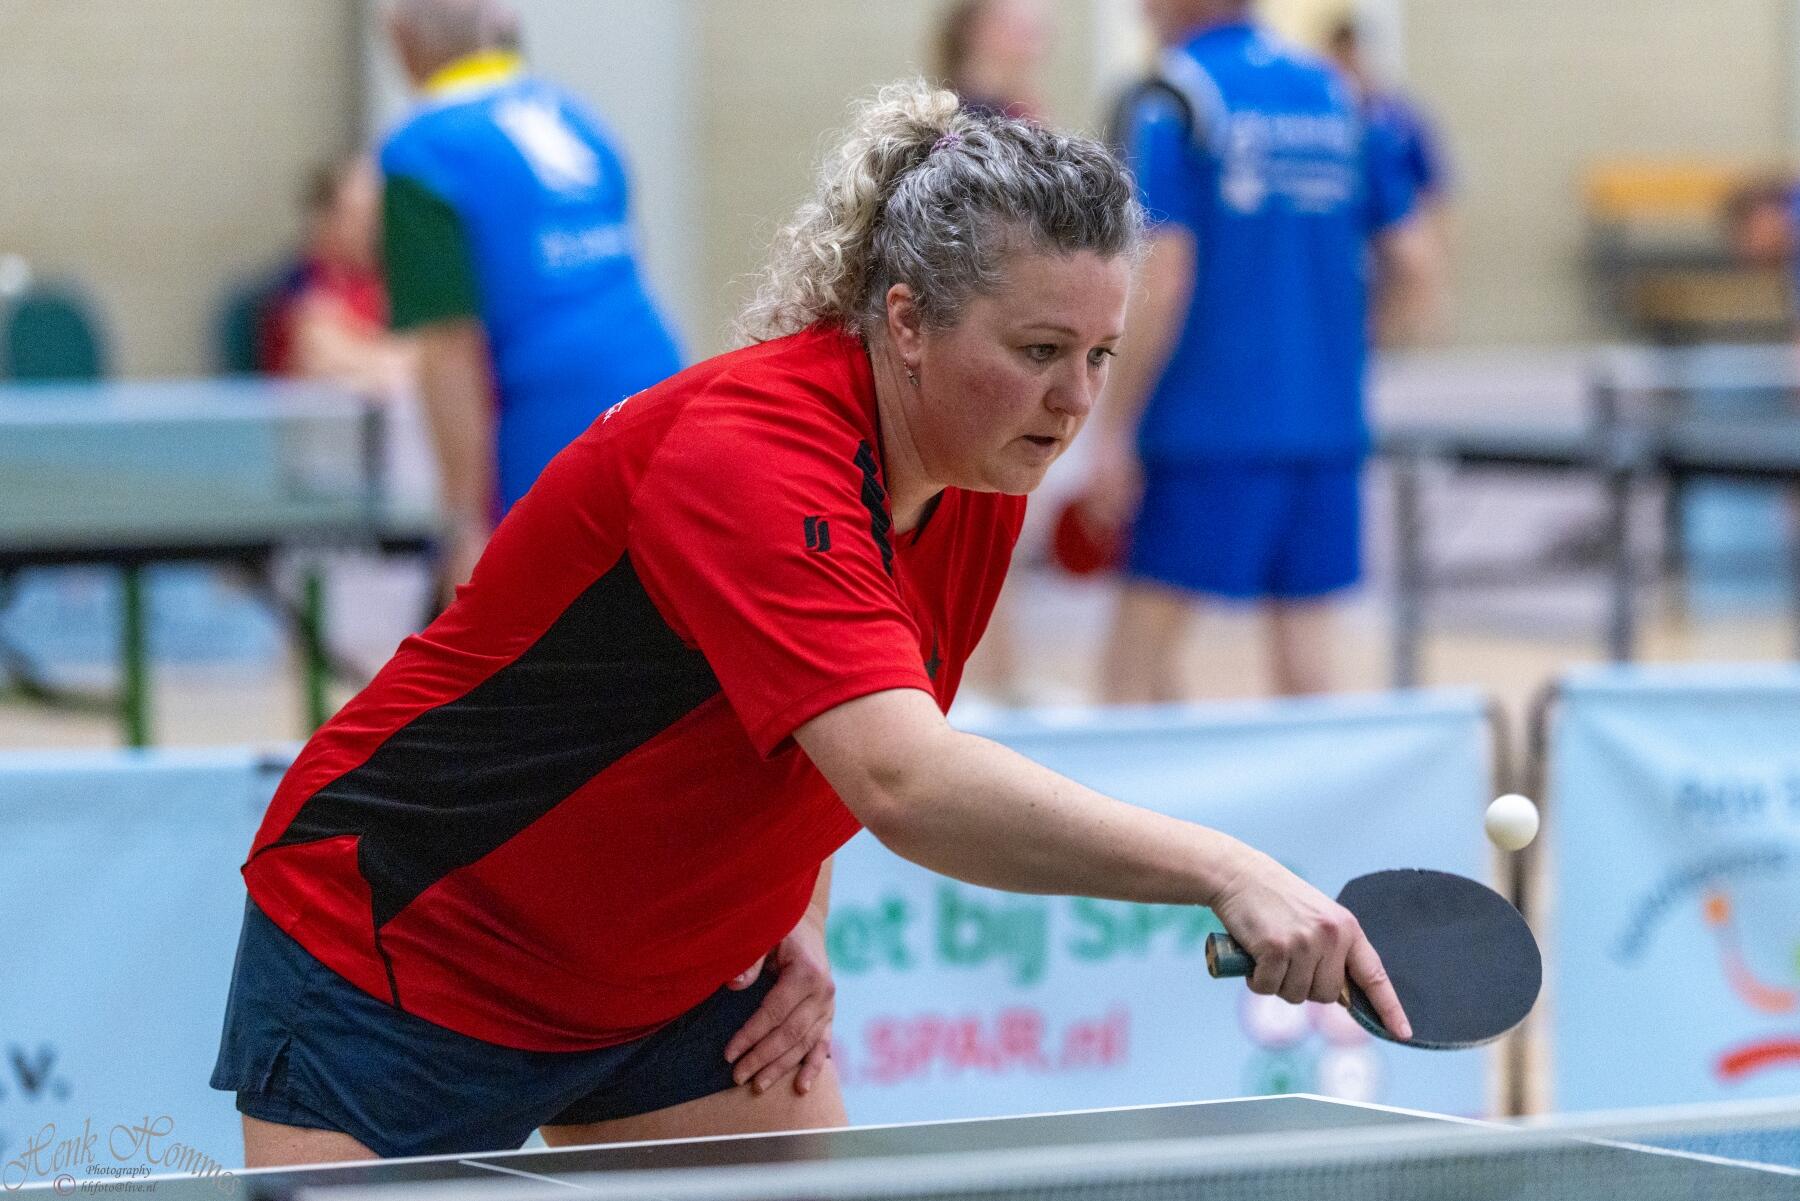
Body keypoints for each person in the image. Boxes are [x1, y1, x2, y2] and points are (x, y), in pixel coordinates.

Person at [210, 78, 1408, 1167]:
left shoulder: (975, 466)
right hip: (408, 947)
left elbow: (824, 714)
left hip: (680, 976)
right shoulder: (752, 459)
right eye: (1040, 350)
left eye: (1099, 353)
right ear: (906, 321)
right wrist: (1226, 868)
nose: (1074, 400)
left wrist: (801, 907)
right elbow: (903, 778)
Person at [1087, 0, 1435, 701]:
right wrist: (1347, 351)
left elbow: (1166, 276)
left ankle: (1146, 783)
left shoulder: (1177, 95)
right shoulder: (1335, 93)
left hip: (1203, 429)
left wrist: (1113, 427)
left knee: (1134, 664)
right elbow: (1416, 261)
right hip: (1325, 428)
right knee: (1308, 669)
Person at [379, 0, 683, 588]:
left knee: (535, 624)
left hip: (551, 421)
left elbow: (448, 348)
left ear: (397, 38)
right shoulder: (577, 117)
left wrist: (463, 526)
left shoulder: (421, 154)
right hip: (662, 392)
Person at [263, 157, 417, 399]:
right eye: (359, 216)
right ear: (325, 219)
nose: (374, 228)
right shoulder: (302, 288)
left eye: (377, 216)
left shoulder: (391, 280)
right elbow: (323, 358)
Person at [934, 0, 1053, 121]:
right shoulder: (973, 115)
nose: (1032, 44)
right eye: (1019, 27)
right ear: (977, 31)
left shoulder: (1019, 107)